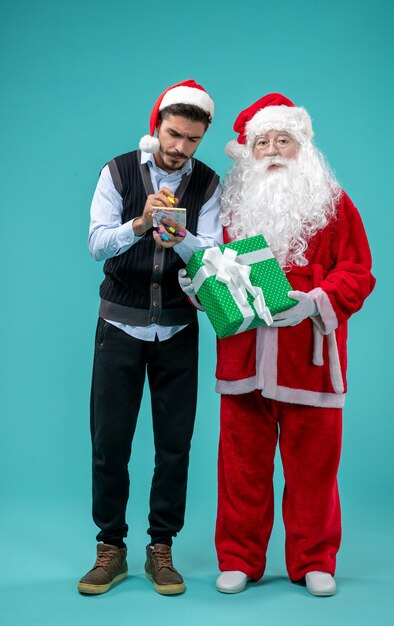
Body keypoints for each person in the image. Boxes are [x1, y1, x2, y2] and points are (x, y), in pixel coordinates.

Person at [180, 93, 375, 596]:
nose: (271, 149)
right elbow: (217, 268)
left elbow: (358, 271)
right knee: (240, 467)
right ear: (248, 150)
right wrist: (200, 289)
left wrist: (318, 301)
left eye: (282, 140)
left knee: (314, 468)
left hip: (309, 360)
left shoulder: (334, 203)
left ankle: (315, 560)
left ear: (302, 147)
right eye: (261, 141)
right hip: (243, 357)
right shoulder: (232, 206)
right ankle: (241, 559)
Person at [78, 80, 222, 597]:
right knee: (109, 442)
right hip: (119, 324)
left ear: (202, 138)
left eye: (192, 139)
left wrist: (180, 237)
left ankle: (161, 547)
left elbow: (212, 255)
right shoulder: (117, 172)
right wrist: (140, 224)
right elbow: (96, 244)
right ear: (155, 124)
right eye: (173, 133)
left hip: (180, 329)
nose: (180, 147)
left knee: (175, 446)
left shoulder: (209, 184)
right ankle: (110, 547)